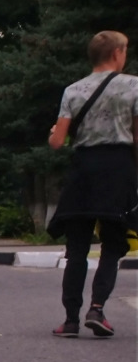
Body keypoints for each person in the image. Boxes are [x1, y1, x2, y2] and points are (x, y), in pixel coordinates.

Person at [47, 30, 137, 337]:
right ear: (116, 54)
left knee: (77, 249)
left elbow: (58, 141)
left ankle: (70, 320)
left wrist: (52, 134)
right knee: (113, 244)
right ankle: (97, 309)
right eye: (124, 51)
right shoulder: (134, 85)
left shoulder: (73, 90)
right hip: (117, 169)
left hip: (83, 170)